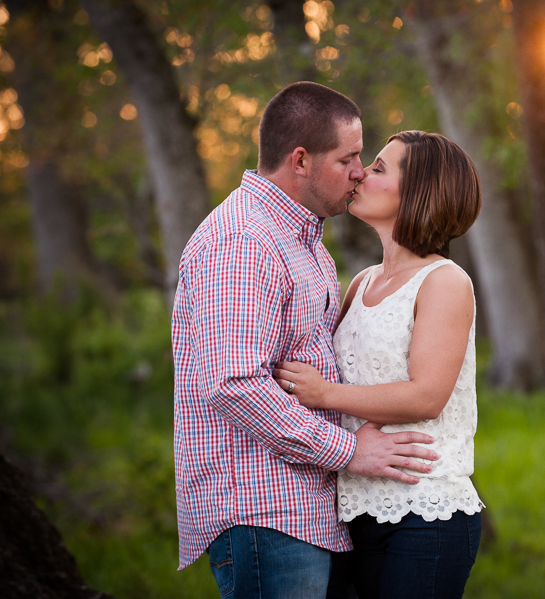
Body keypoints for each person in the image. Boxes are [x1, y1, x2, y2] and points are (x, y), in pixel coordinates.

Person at [172, 83, 439, 599]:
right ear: (300, 160)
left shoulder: (303, 241)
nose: (360, 171)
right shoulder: (244, 242)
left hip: (306, 510)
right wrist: (348, 450)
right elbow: (234, 384)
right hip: (262, 514)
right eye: (349, 158)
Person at [273, 130, 485, 599]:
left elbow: (427, 395)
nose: (361, 173)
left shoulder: (445, 281)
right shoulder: (362, 281)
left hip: (425, 514)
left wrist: (325, 394)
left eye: (380, 168)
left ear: (418, 194)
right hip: (351, 511)